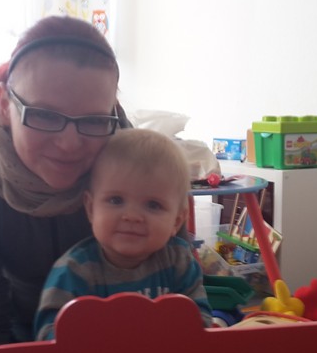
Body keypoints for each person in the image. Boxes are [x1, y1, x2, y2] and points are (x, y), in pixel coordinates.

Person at [0, 16, 130, 347]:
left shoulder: (148, 167)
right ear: (5, 105)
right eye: (44, 115)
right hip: (19, 334)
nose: (69, 144)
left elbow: (174, 280)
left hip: (126, 332)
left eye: (94, 120)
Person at [34, 128, 212, 341]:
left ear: (176, 221)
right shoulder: (75, 271)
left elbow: (199, 320)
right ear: (91, 209)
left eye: (153, 205)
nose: (132, 216)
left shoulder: (178, 261)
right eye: (116, 200)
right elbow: (48, 337)